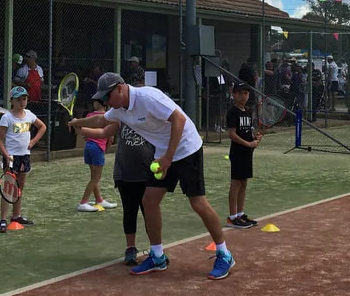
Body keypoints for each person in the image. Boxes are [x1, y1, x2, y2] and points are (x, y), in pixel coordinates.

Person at [69, 72, 235, 280]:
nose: (105, 102)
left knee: (197, 202)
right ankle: (157, 256)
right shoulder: (119, 109)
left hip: (186, 148)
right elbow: (102, 121)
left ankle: (224, 254)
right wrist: (77, 123)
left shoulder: (148, 97)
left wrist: (168, 157)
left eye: (107, 97)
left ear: (120, 88)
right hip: (164, 152)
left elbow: (179, 119)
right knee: (149, 201)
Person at [112, 73, 155, 265]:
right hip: (125, 172)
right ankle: (130, 248)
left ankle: (156, 250)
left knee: (150, 212)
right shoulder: (121, 114)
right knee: (129, 211)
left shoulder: (153, 117)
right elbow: (105, 129)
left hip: (147, 173)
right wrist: (81, 127)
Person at [0, 86, 46, 231]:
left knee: (20, 187)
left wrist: (33, 142)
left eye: (24, 99)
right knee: (8, 187)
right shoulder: (7, 117)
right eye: (18, 100)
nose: (22, 102)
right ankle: (3, 219)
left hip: (25, 156)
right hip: (11, 156)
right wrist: (5, 154)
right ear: (12, 100)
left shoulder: (29, 114)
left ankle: (16, 215)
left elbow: (42, 127)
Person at [225, 80, 260, 229]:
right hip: (238, 152)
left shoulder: (248, 111)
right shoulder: (233, 112)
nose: (243, 96)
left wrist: (255, 139)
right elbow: (232, 134)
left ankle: (240, 214)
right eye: (240, 93)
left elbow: (248, 133)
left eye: (246, 93)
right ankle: (232, 216)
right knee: (236, 183)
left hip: (247, 152)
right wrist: (248, 144)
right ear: (234, 95)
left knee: (244, 182)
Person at [78, 98, 118, 211]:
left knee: (94, 176)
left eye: (95, 101)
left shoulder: (90, 115)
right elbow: (111, 137)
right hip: (97, 148)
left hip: (89, 147)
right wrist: (106, 150)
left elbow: (84, 131)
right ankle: (83, 202)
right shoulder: (109, 117)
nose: (93, 103)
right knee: (96, 177)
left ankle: (99, 200)